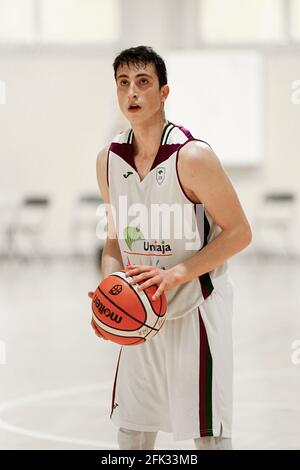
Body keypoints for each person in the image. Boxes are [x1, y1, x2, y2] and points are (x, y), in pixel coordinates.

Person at [89, 45, 252, 450]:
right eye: (123, 83)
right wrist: (110, 292)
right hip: (141, 312)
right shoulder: (108, 160)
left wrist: (177, 273)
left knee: (206, 435)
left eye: (143, 82)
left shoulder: (192, 156)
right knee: (132, 432)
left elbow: (239, 232)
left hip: (194, 308)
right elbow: (114, 241)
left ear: (164, 92)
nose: (133, 93)